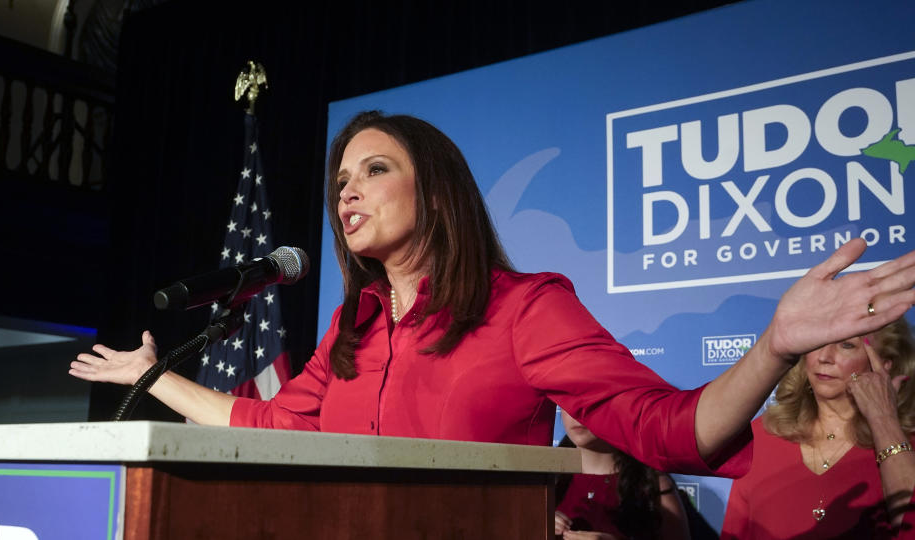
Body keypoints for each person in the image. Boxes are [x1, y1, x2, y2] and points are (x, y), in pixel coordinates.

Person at [70, 110, 915, 477]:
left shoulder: (524, 308)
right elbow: (270, 421)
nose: (346, 193)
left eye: (374, 170)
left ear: (435, 193)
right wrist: (152, 378)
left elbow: (671, 433)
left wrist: (772, 344)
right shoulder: (352, 323)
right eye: (338, 181)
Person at [720, 319, 915, 539]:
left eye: (846, 345)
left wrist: (883, 420)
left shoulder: (905, 446)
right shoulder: (760, 437)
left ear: (884, 364)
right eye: (819, 340)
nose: (824, 357)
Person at [554, 409, 691, 540]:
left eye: (590, 401)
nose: (577, 412)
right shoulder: (544, 480)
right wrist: (536, 528)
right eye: (567, 402)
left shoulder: (651, 484)